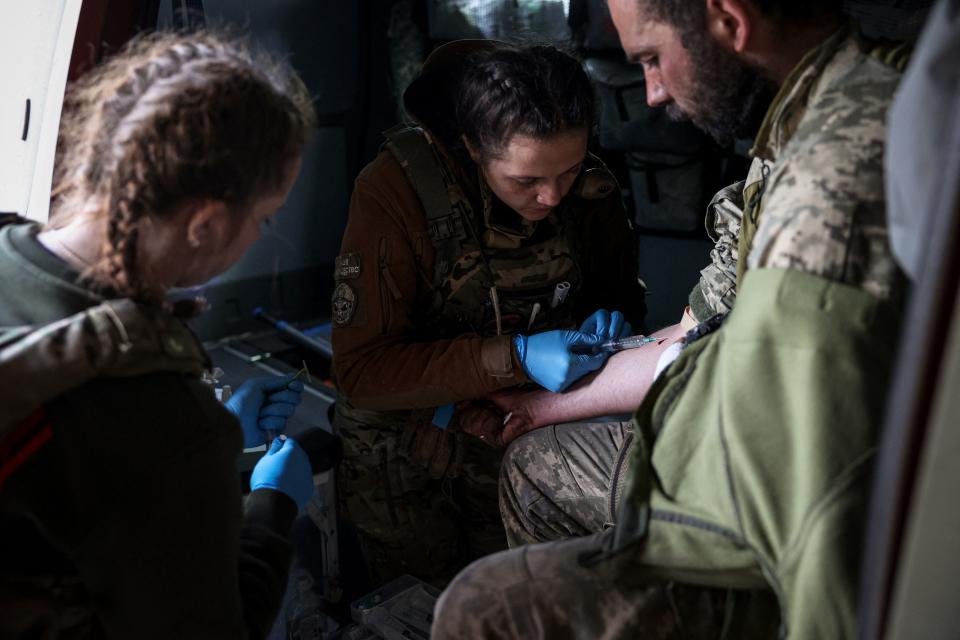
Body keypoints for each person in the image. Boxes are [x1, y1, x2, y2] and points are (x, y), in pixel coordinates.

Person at [432, 0, 909, 637]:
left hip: (825, 526)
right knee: (537, 453)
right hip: (793, 463)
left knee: (486, 604)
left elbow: (779, 455)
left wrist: (642, 414)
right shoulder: (805, 130)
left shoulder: (832, 173)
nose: (652, 93)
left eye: (652, 59)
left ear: (730, 21)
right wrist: (551, 397)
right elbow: (702, 324)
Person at [0, 32, 317, 639]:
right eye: (263, 218)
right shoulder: (169, 426)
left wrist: (214, 446)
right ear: (205, 222)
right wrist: (271, 506)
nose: (261, 234)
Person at [331, 41, 647, 586]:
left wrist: (610, 324)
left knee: (519, 600)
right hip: (412, 446)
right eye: (526, 181)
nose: (551, 196)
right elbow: (363, 372)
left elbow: (618, 293)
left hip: (525, 436)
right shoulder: (396, 192)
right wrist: (518, 356)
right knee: (427, 604)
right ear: (473, 148)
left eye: (568, 171)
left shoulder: (588, 189)